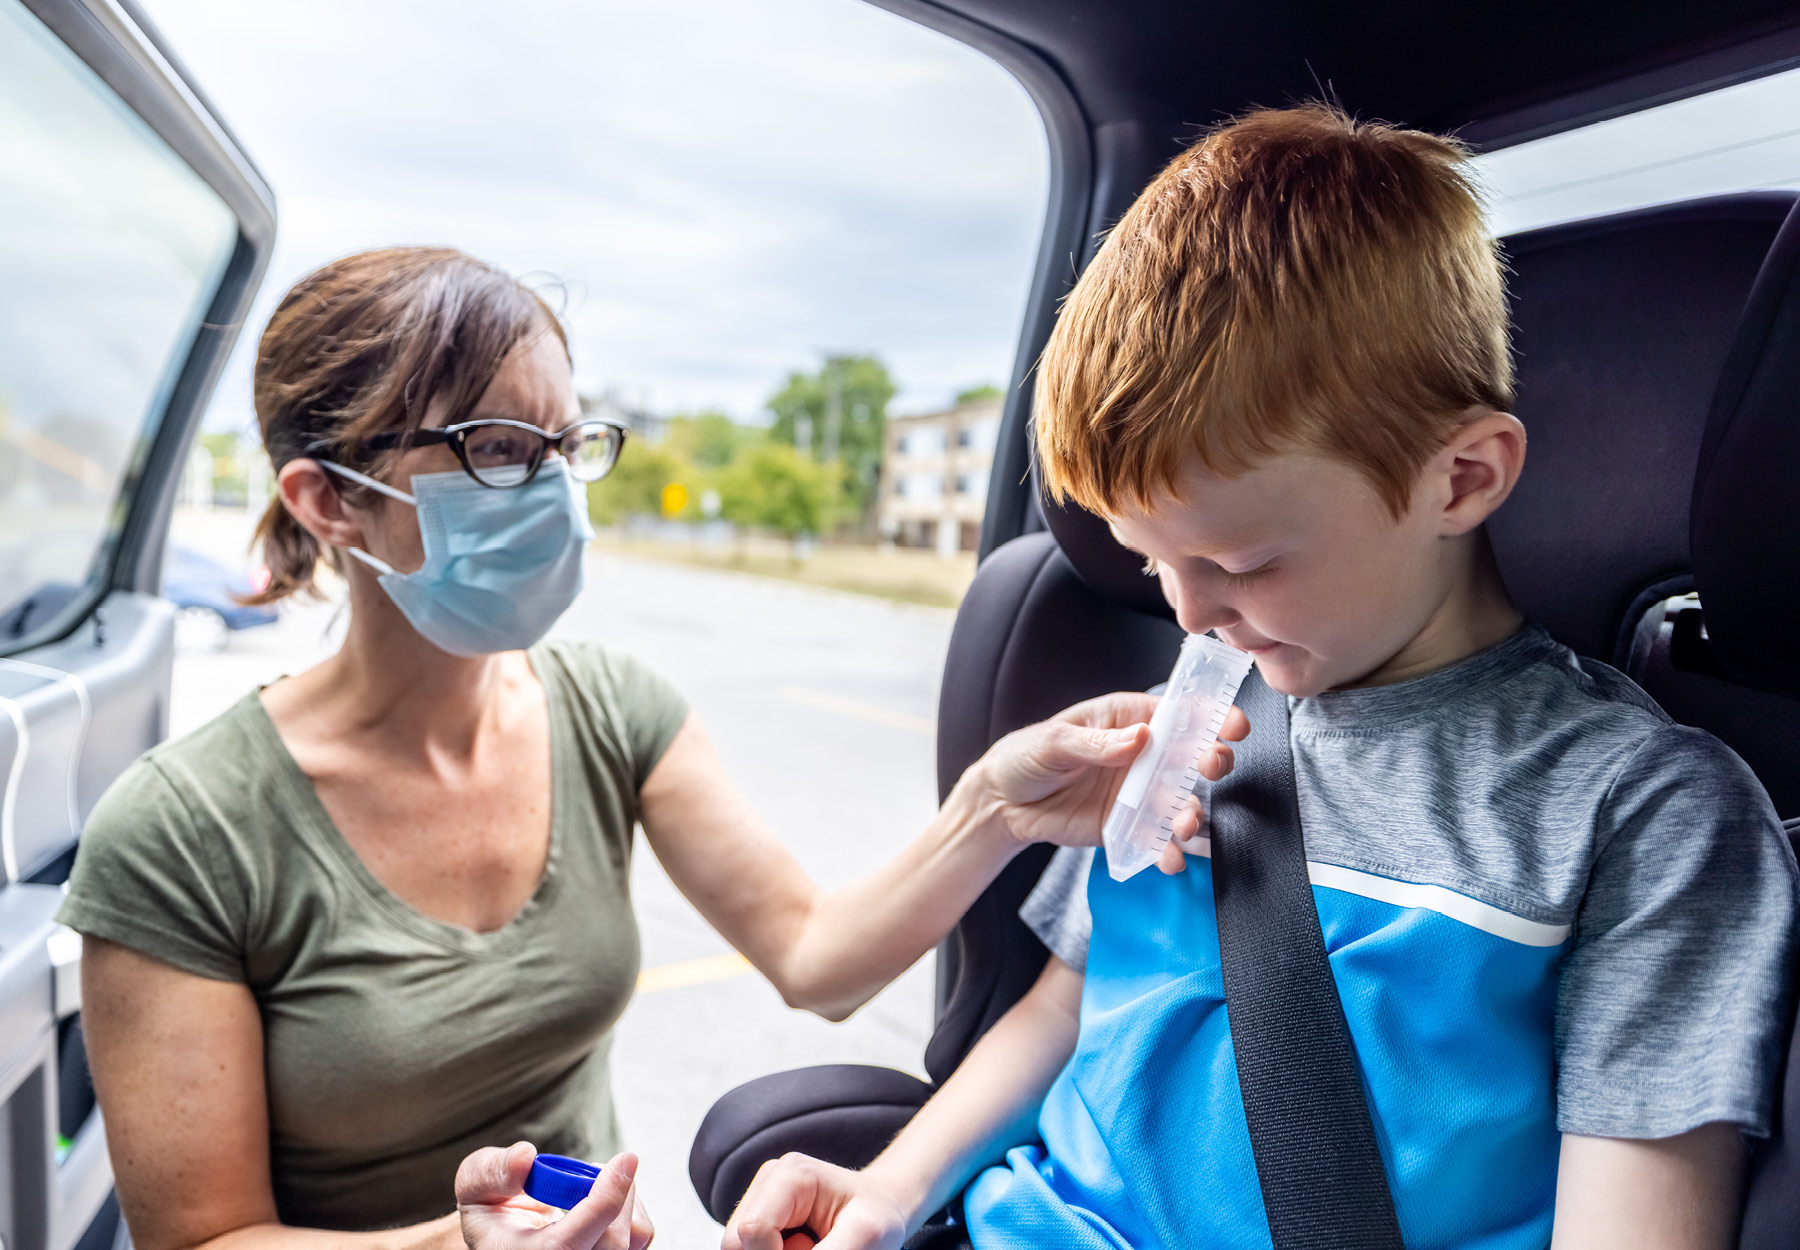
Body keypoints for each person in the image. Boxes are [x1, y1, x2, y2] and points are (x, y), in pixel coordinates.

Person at [720, 105, 1800, 1250]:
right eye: (1151, 562)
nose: (1186, 611)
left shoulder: (1641, 815)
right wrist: (891, 1188)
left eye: (1241, 561)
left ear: (1463, 477)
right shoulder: (1200, 721)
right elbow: (1071, 1004)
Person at [59, 248, 1245, 1250]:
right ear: (328, 500)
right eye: (496, 448)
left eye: (567, 443)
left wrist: (999, 803)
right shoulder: (181, 831)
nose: (555, 493)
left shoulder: (609, 707)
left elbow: (816, 958)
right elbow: (206, 1237)